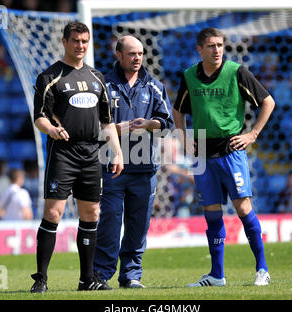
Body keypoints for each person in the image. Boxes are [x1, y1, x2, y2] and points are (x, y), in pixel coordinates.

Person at [173, 28, 275, 287]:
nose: (217, 50)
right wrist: (184, 139)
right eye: (211, 46)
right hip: (202, 152)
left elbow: (268, 102)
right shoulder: (189, 76)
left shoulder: (237, 72)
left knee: (242, 208)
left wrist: (252, 134)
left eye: (219, 45)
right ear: (200, 49)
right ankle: (217, 275)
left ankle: (262, 269)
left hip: (231, 150)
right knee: (211, 212)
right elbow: (178, 111)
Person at [30, 22, 123, 293]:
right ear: (64, 42)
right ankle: (41, 280)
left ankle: (87, 280)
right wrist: (52, 129)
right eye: (75, 41)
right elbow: (39, 117)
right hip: (63, 154)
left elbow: (107, 122)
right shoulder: (50, 77)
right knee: (53, 212)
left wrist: (117, 152)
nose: (80, 46)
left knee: (91, 213)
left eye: (85, 41)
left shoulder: (97, 78)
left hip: (91, 154)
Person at [93, 35, 173, 289]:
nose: (137, 58)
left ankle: (131, 275)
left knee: (138, 226)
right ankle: (101, 275)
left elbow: (167, 123)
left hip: (145, 168)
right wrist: (117, 128)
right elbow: (91, 126)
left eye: (140, 53)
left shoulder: (154, 87)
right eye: (131, 54)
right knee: (110, 223)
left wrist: (152, 124)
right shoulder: (102, 85)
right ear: (119, 55)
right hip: (111, 167)